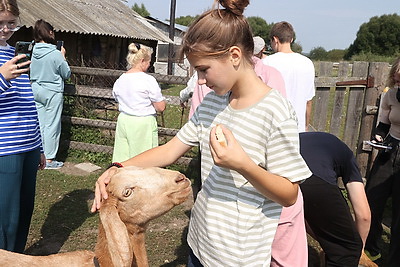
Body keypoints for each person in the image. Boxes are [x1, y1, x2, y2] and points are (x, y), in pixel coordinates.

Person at [92, 0, 311, 266]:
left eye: (204, 70)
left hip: (238, 258)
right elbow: (170, 150)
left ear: (233, 56)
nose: (202, 81)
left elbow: (289, 193)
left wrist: (241, 164)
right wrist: (117, 167)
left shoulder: (276, 111)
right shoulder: (212, 103)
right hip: (199, 243)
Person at [0, 0, 46, 253]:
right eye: (0, 24)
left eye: (11, 23)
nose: (6, 29)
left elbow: (28, 103)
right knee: (5, 217)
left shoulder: (15, 53)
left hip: (28, 145)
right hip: (4, 148)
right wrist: (2, 77)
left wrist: (38, 146)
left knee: (24, 211)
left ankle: (16, 258)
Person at [297, 132, 371, 266]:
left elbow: (302, 217)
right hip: (312, 177)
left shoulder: (310, 140)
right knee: (347, 252)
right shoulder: (348, 158)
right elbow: (364, 215)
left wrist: (328, 239)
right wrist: (357, 249)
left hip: (274, 172)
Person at [364, 57, 400, 266]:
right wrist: (378, 136)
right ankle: (371, 249)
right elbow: (383, 125)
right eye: (395, 81)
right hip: (390, 150)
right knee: (371, 200)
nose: (397, 85)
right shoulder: (391, 96)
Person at [111, 43, 166, 163]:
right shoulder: (148, 80)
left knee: (123, 157)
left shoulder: (121, 79)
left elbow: (117, 97)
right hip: (142, 122)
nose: (149, 64)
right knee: (143, 159)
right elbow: (160, 107)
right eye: (149, 62)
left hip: (124, 120)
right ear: (142, 61)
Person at [30, 19, 71, 169]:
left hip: (36, 88)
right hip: (52, 91)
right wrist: (63, 56)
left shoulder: (32, 50)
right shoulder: (55, 53)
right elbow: (66, 73)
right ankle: (50, 160)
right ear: (50, 32)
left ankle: (38, 156)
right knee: (52, 125)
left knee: (40, 124)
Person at [263, 21, 315, 132]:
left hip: (273, 128)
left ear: (275, 40)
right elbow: (308, 101)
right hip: (298, 128)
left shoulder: (267, 62)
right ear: (291, 39)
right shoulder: (307, 63)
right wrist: (306, 125)